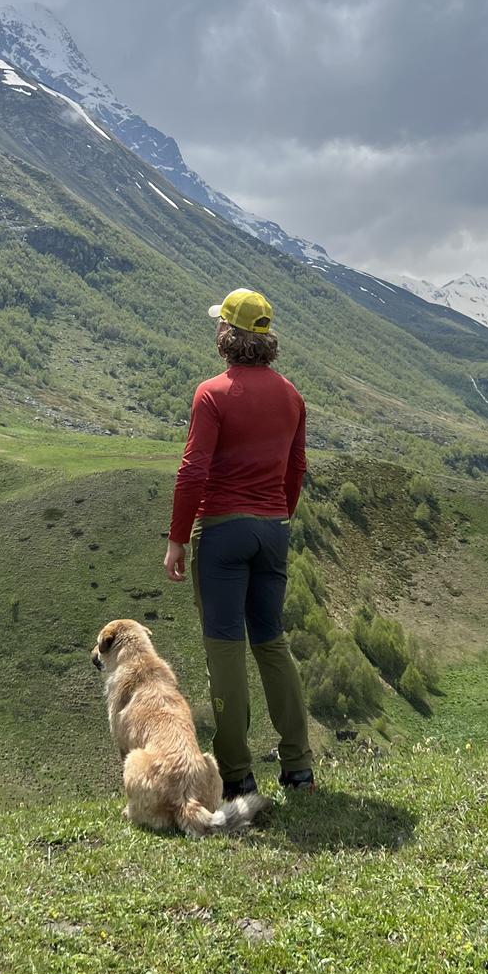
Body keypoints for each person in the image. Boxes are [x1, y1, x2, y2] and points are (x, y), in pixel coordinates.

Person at [164, 287, 315, 796]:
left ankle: (237, 779)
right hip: (273, 530)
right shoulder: (292, 396)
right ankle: (298, 768)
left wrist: (178, 538)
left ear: (227, 334)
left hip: (223, 532)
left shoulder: (212, 393)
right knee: (272, 644)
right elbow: (295, 469)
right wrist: (277, 517)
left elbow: (193, 471)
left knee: (225, 652)